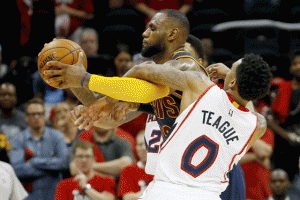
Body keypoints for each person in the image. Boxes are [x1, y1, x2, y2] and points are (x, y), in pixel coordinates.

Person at [45, 9, 272, 199]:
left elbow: (134, 78)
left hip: (202, 181)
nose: (144, 33)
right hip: (195, 186)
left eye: (152, 28)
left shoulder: (191, 75)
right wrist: (72, 80)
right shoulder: (157, 89)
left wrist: (86, 82)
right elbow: (107, 119)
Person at [9, 98, 68, 200]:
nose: (36, 117)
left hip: (53, 195)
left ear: (45, 116)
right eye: (32, 114)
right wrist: (52, 169)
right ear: (26, 117)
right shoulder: (18, 139)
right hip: (28, 196)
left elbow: (64, 163)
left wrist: (34, 162)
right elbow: (17, 169)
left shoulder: (57, 136)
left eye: (40, 113)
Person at [267, 48, 300, 182]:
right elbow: (269, 120)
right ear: (290, 67)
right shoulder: (281, 89)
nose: (299, 67)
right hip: (284, 145)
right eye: (295, 64)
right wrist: (288, 137)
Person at [70, 126, 136, 179]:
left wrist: (88, 166)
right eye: (98, 117)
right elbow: (73, 168)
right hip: (84, 188)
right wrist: (110, 177)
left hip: (115, 190)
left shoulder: (123, 141)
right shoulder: (82, 139)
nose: (101, 121)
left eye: (104, 118)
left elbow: (126, 165)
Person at [118, 130, 154, 200]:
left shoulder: (163, 169)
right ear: (136, 148)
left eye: (147, 144)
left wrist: (138, 195)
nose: (143, 148)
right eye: (140, 145)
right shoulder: (128, 170)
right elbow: (127, 198)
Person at [239, 127, 274, 200]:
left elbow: (264, 153)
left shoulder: (266, 131)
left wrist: (249, 133)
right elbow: (232, 159)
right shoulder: (234, 131)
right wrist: (255, 156)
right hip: (239, 183)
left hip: (260, 187)